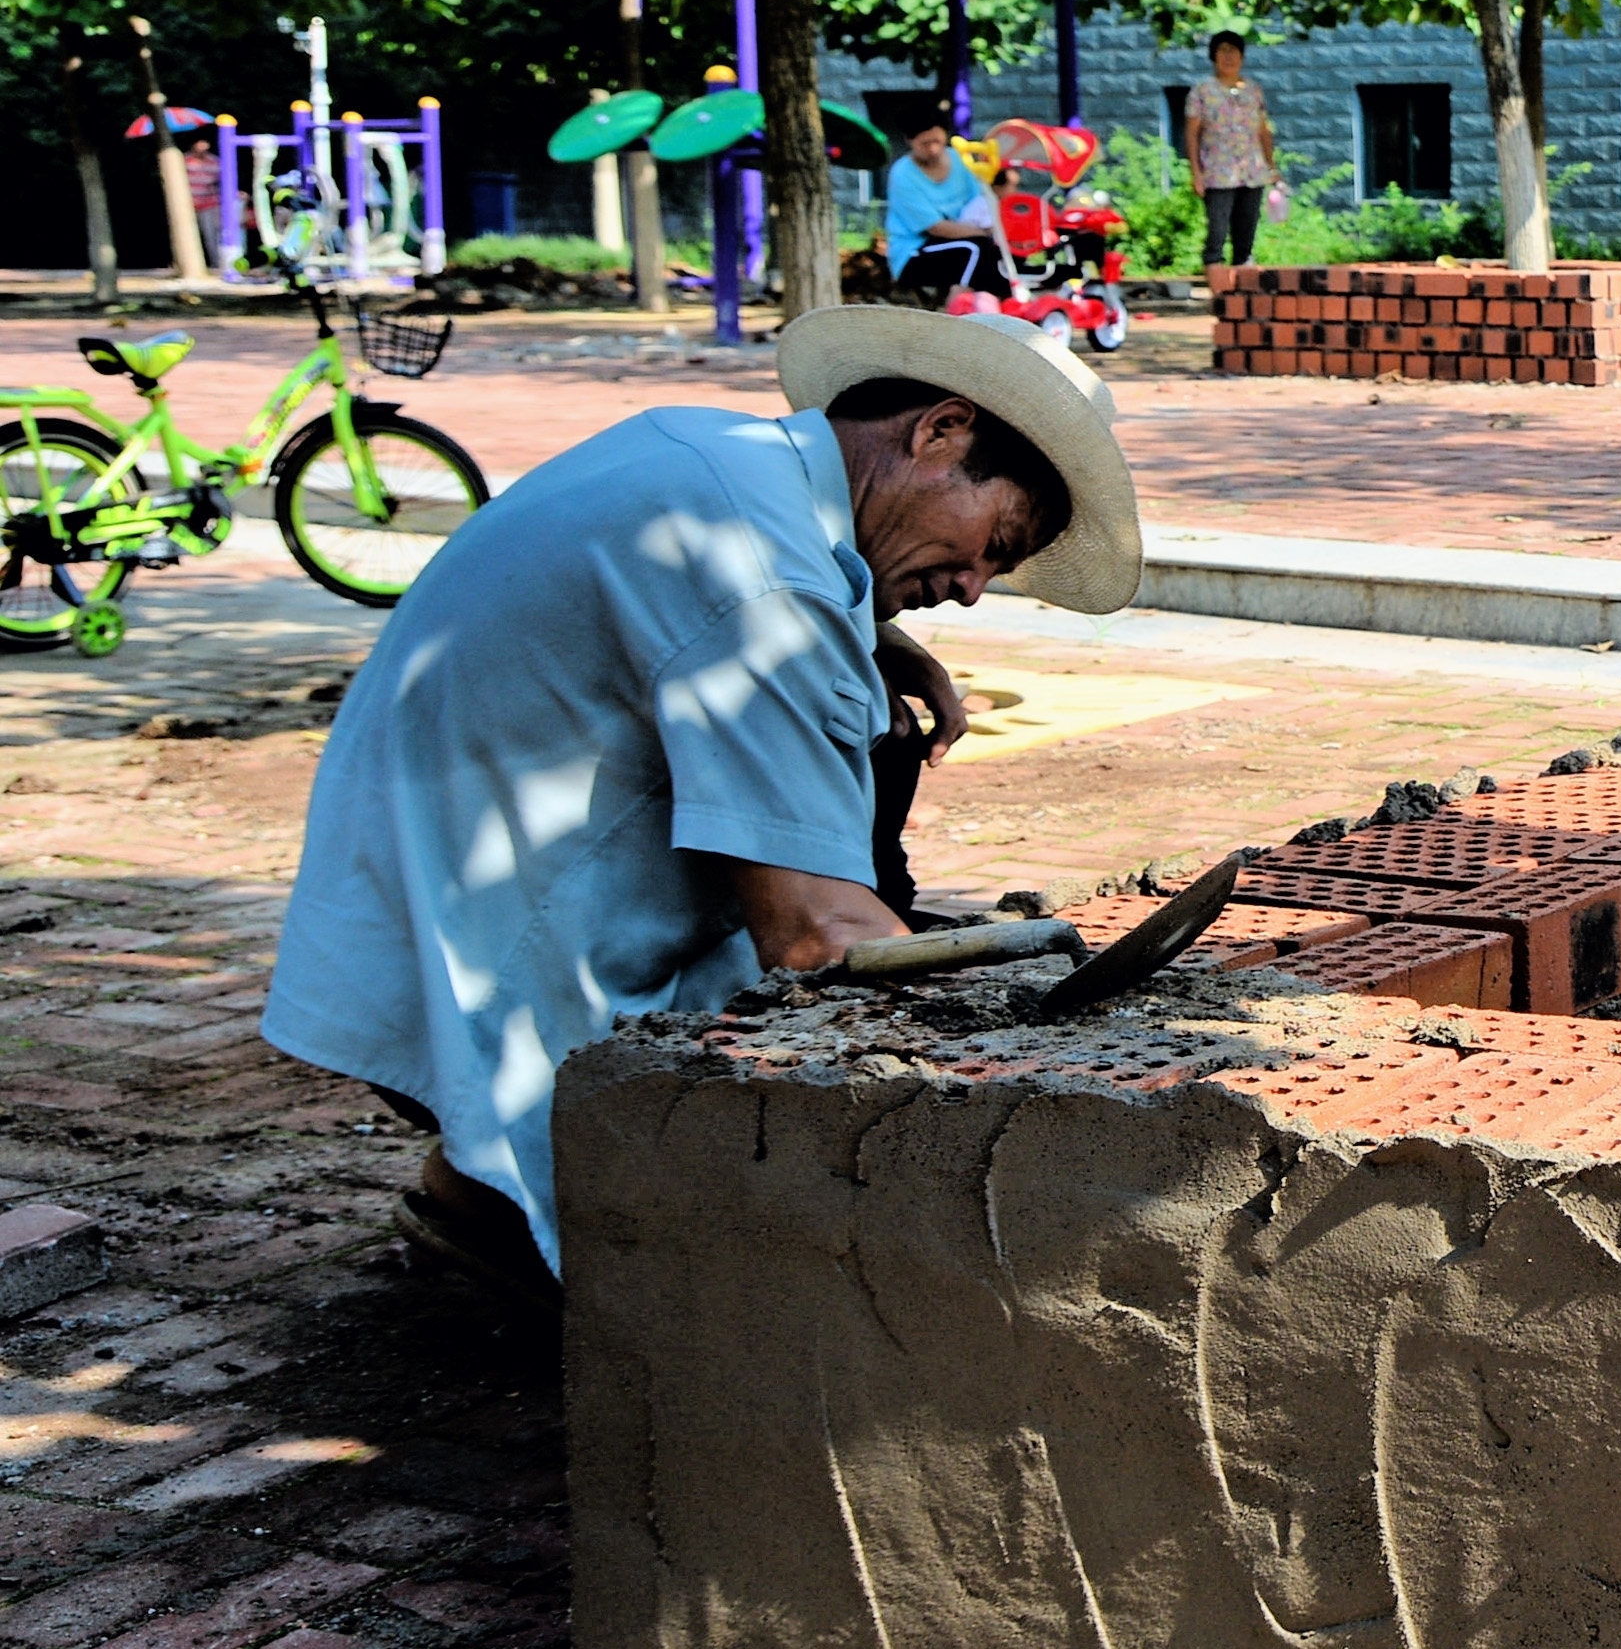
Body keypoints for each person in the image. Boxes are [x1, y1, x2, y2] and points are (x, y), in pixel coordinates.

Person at [259, 306, 1142, 1306]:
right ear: (939, 430)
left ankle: (475, 1198)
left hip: (391, 889)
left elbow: (696, 599)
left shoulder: (708, 450)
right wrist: (1006, 1047)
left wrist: (873, 638)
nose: (975, 588)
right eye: (996, 540)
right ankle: (510, 1196)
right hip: (479, 952)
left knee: (865, 758)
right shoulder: (766, 585)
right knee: (801, 1143)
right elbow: (816, 936)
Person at [884, 110, 1011, 299]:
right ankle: (958, 306)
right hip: (915, 252)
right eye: (925, 144)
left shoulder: (959, 160)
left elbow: (978, 202)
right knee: (975, 248)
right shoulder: (902, 175)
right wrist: (985, 234)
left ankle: (1004, 304)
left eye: (937, 141)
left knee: (999, 253)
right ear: (909, 141)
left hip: (963, 237)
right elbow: (935, 228)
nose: (933, 149)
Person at [1180, 32, 1279, 271]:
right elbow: (1192, 133)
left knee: (1246, 234)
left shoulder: (1253, 90)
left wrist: (1271, 165)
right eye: (1222, 50)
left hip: (1252, 171)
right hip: (1217, 171)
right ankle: (1217, 285)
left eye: (1233, 51)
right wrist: (1196, 172)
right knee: (1217, 231)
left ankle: (1242, 292)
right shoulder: (1202, 91)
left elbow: (1263, 131)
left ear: (1242, 57)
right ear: (1213, 56)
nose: (1228, 57)